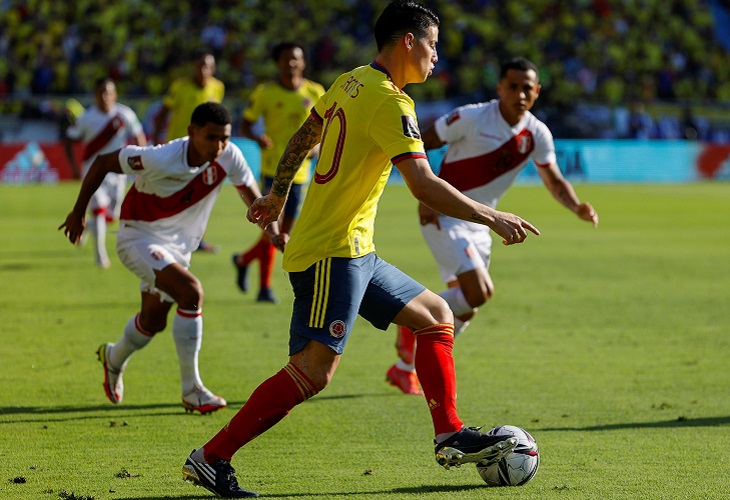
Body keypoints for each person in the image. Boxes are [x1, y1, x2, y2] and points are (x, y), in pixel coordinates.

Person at [181, 2, 540, 497]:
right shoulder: (392, 103)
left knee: (436, 315)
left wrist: (278, 194)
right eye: (433, 44)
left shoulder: (351, 81)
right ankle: (212, 457)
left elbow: (304, 135)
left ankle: (449, 433)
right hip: (333, 251)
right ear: (407, 41)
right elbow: (422, 184)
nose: (437, 55)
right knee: (313, 371)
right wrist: (492, 216)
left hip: (355, 250)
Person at [385, 57, 599, 395]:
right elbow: (421, 143)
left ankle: (405, 366)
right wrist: (425, 195)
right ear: (500, 87)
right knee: (478, 291)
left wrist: (577, 207)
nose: (520, 93)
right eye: (512, 86)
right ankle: (413, 323)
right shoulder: (471, 117)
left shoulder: (537, 133)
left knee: (466, 307)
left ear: (537, 92)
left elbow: (553, 178)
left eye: (527, 88)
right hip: (444, 213)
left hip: (482, 222)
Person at [59, 102, 281, 414]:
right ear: (192, 132)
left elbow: (257, 201)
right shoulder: (160, 156)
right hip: (138, 237)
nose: (219, 145)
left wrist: (274, 235)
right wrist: (78, 211)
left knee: (152, 321)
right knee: (191, 293)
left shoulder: (230, 156)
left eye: (225, 138)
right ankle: (192, 389)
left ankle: (113, 358)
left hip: (177, 248)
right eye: (212, 137)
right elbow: (103, 162)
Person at [233, 41, 325, 303]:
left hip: (302, 173)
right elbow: (247, 123)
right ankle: (264, 288)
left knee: (284, 233)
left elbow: (328, 127)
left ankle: (243, 260)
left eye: (296, 59)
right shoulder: (266, 93)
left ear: (303, 62)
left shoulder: (315, 91)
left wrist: (317, 146)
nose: (291, 64)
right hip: (272, 171)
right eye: (286, 59)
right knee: (271, 228)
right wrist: (257, 137)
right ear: (278, 63)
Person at [63, 78, 147, 268]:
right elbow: (69, 139)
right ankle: (100, 255)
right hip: (93, 173)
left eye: (108, 92)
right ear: (95, 95)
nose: (104, 97)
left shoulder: (124, 114)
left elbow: (139, 135)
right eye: (100, 92)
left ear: (114, 95)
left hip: (118, 173)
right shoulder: (86, 118)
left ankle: (90, 226)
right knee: (98, 208)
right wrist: (75, 169)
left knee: (111, 217)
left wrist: (143, 163)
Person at [152, 49, 225, 253]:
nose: (203, 70)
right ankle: (165, 234)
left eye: (207, 66)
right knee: (173, 191)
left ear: (213, 69)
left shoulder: (218, 88)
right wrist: (157, 141)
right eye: (200, 65)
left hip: (205, 150)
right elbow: (163, 113)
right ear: (194, 67)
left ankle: (196, 239)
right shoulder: (180, 86)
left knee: (201, 194)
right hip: (178, 149)